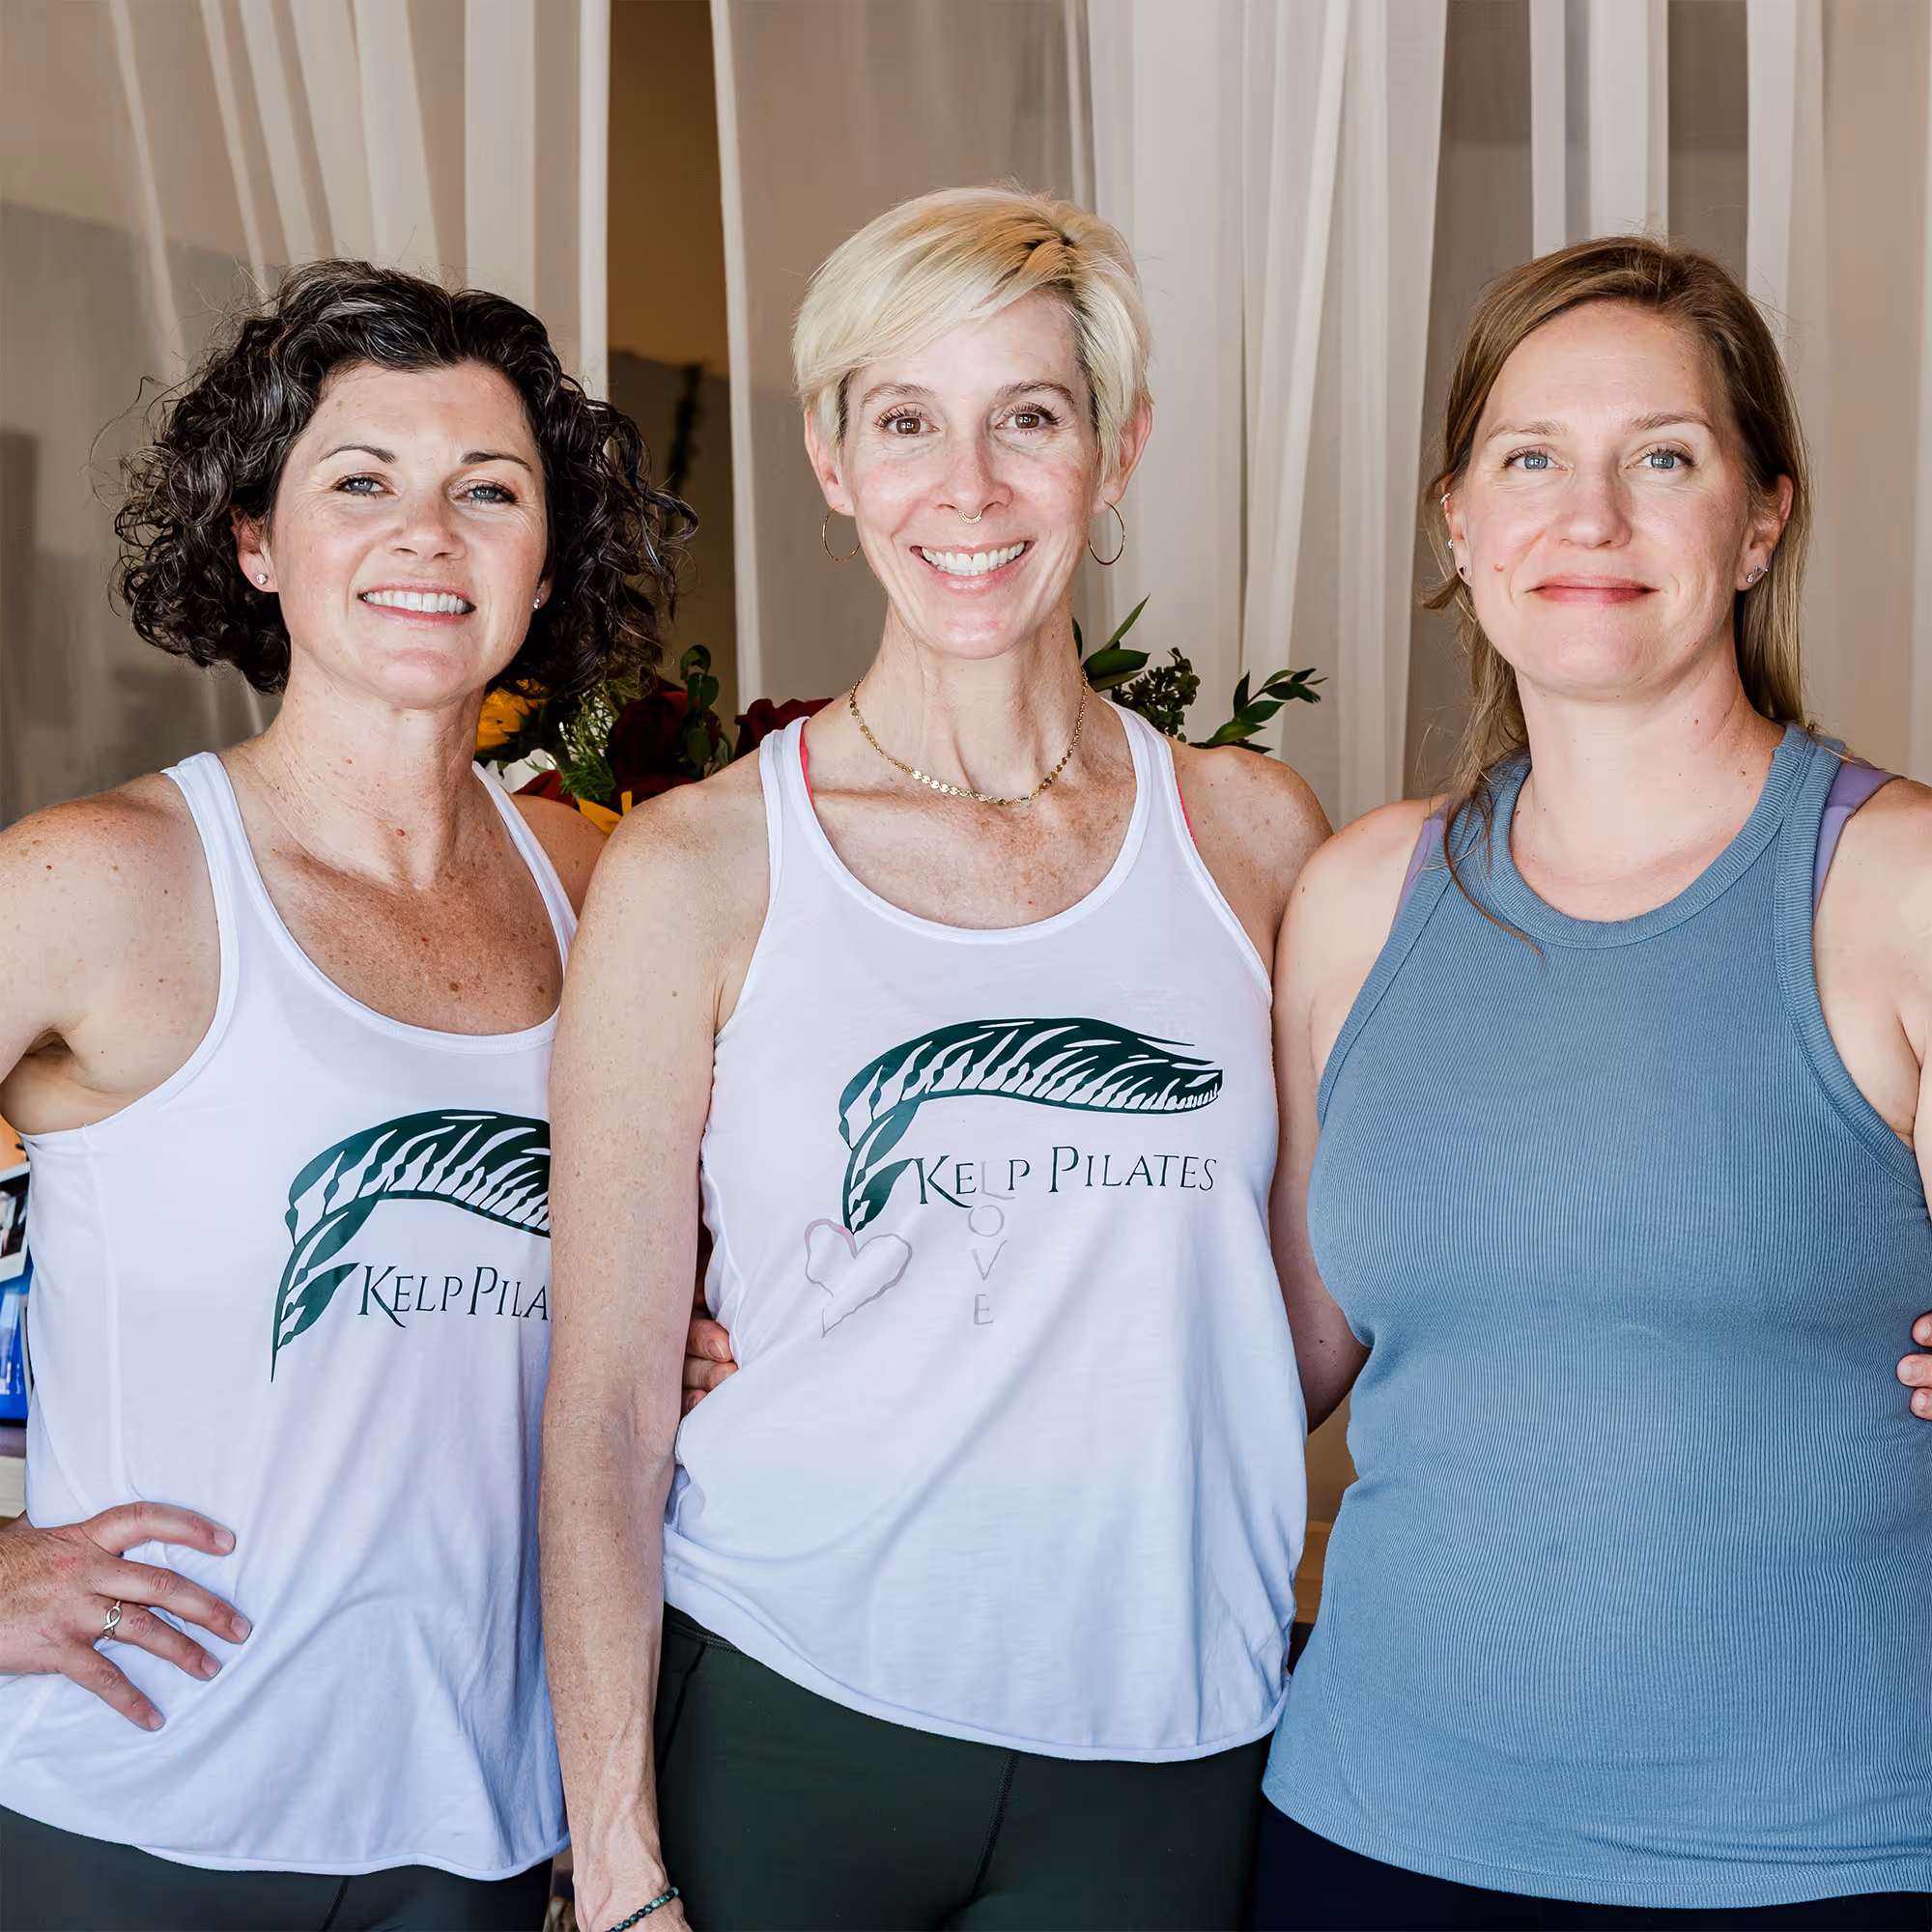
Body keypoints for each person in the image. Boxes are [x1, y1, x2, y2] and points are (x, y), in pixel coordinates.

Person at [542, 185, 1329, 1932]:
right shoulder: (697, 866)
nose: (965, 491)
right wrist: (614, 1869)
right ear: (832, 458)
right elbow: (601, 1411)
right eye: (905, 422)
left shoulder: (1256, 840)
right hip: (793, 1708)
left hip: (1168, 1727)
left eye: (1027, 421)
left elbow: (1310, 1306)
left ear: (1116, 452)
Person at [1253, 239, 1932, 1927]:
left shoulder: (1896, 886)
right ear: (1458, 521)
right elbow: (1269, 1363)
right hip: (1369, 1840)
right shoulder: (1359, 897)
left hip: (1820, 1867)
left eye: (1666, 459)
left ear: (1762, 519)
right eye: (1533, 459)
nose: (1594, 517)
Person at [0, 261, 686, 1931]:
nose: (425, 535)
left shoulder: (605, 886)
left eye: (489, 491)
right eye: (361, 482)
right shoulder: (106, 880)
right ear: (257, 542)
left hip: (480, 1809)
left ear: (545, 563)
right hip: (140, 1805)